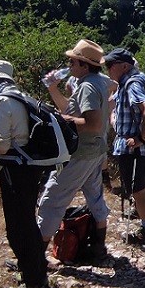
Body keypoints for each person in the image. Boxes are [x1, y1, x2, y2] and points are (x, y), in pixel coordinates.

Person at [0, 60, 52, 288]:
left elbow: (3, 146)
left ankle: (33, 283)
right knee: (27, 221)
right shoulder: (19, 97)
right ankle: (36, 273)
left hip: (14, 170)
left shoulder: (1, 101)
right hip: (29, 168)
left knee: (18, 227)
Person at [36, 39, 114, 264]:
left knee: (52, 200)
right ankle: (99, 249)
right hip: (95, 151)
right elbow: (70, 108)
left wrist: (63, 121)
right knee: (95, 197)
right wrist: (53, 89)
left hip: (80, 153)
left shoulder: (88, 86)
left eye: (72, 62)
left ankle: (35, 261)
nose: (69, 65)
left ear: (84, 65)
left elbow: (92, 123)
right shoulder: (97, 81)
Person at [104, 48, 145, 245]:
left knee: (137, 190)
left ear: (124, 66)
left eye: (110, 66)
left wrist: (140, 138)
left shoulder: (131, 84)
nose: (108, 69)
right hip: (139, 147)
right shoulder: (137, 79)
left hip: (132, 147)